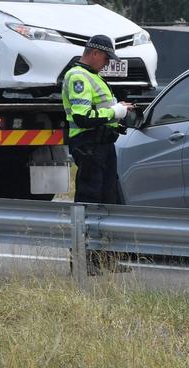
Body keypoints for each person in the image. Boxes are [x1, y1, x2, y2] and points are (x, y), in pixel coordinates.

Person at [61, 34, 134, 274]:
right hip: (89, 145)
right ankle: (82, 261)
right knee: (89, 200)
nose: (106, 63)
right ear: (93, 53)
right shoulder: (78, 77)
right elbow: (82, 117)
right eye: (105, 58)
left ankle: (105, 259)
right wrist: (115, 113)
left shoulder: (94, 76)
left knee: (108, 201)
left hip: (103, 145)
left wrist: (120, 114)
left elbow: (102, 111)